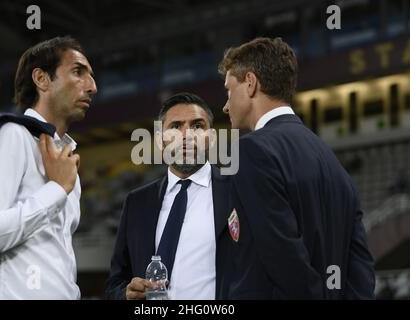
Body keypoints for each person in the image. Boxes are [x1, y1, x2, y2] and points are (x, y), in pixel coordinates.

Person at [218, 37, 375, 299]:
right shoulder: (331, 161)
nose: (225, 105)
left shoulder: (249, 151)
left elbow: (282, 255)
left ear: (250, 83)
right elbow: (360, 266)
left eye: (228, 91)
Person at [0, 36, 97, 299]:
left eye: (91, 76)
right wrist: (56, 190)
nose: (92, 86)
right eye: (78, 72)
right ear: (42, 79)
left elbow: (58, 257)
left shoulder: (67, 162)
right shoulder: (13, 136)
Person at [105, 92, 232, 300]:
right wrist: (125, 294)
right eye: (175, 127)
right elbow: (115, 283)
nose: (187, 135)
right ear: (159, 141)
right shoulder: (137, 202)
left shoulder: (237, 191)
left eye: (198, 126)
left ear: (212, 138)